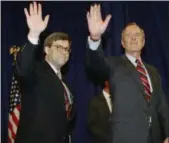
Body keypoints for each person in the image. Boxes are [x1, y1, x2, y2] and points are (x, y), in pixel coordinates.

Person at [85, 4, 169, 143]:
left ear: (143, 41)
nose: (134, 38)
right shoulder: (114, 64)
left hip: (154, 138)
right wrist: (95, 39)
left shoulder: (153, 71)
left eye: (137, 35)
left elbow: (162, 105)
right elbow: (95, 66)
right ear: (122, 43)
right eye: (128, 36)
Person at [14, 2, 75, 143]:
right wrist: (34, 35)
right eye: (59, 47)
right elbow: (22, 70)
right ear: (46, 49)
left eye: (67, 49)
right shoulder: (36, 70)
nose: (64, 52)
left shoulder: (65, 85)